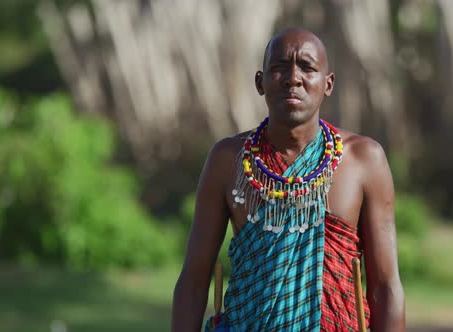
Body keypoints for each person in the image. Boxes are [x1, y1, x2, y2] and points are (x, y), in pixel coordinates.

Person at [172, 28, 405, 332]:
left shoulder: (364, 159)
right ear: (260, 82)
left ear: (328, 83)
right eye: (279, 67)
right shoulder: (228, 160)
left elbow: (385, 286)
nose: (293, 78)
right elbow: (193, 279)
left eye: (307, 67)